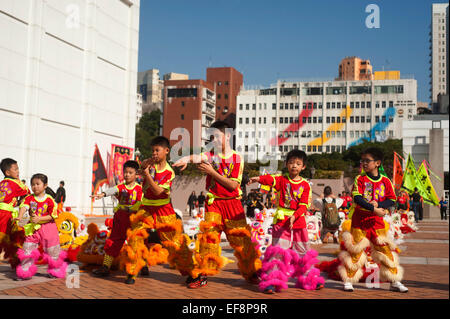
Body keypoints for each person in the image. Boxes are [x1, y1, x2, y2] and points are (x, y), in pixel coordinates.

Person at [174, 120, 261, 288]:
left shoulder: (237, 158)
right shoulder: (211, 155)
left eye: (216, 136)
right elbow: (198, 156)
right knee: (208, 240)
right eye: (211, 137)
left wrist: (212, 172)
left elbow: (233, 185)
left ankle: (252, 272)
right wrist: (186, 158)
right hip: (213, 203)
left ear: (227, 136)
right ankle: (202, 274)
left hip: (233, 205)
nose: (213, 140)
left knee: (242, 242)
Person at [249, 149, 324, 294]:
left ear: (303, 167)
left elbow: (303, 205)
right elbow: (270, 179)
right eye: (291, 163)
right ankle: (271, 281)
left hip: (298, 222)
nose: (294, 166)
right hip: (282, 222)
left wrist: (295, 216)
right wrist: (258, 178)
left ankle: (309, 280)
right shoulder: (282, 180)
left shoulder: (306, 185)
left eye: (298, 163)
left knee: (303, 253)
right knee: (278, 253)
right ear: (286, 164)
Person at [337, 147, 408, 293]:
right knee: (356, 251)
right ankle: (349, 280)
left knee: (385, 251)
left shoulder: (385, 181)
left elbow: (392, 200)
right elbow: (357, 198)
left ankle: (394, 281)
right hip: (360, 221)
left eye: (367, 161)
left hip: (377, 223)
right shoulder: (360, 179)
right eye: (362, 160)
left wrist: (380, 205)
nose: (363, 163)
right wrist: (373, 208)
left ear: (377, 163)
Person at [120, 136, 182, 285]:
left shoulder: (169, 172)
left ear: (166, 151)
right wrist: (143, 167)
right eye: (152, 150)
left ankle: (190, 271)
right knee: (136, 237)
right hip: (146, 208)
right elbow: (140, 170)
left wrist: (146, 173)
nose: (154, 153)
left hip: (163, 209)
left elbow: (157, 191)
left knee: (172, 243)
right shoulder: (150, 164)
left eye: (157, 150)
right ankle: (132, 271)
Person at [91, 160, 143, 281]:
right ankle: (105, 267)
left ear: (136, 174)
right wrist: (103, 194)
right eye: (125, 172)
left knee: (135, 245)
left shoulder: (140, 189)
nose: (127, 175)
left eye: (130, 172)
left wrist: (132, 209)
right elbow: (112, 190)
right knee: (113, 242)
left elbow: (140, 202)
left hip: (134, 221)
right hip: (120, 219)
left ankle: (136, 270)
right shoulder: (121, 187)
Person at [14, 173, 67, 280]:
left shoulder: (49, 199)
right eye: (33, 184)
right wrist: (19, 216)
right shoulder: (29, 198)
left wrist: (40, 219)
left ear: (45, 185)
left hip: (48, 228)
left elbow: (53, 215)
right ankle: (25, 271)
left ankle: (55, 270)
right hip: (33, 228)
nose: (35, 186)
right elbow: (24, 206)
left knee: (52, 250)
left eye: (38, 184)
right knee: (27, 248)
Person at [0, 158, 30, 269]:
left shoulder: (1, 183)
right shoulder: (17, 183)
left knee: (10, 239)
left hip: (4, 212)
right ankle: (18, 263)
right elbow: (28, 192)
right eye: (16, 169)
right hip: (6, 215)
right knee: (14, 239)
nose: (18, 171)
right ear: (8, 172)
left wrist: (16, 202)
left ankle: (17, 262)